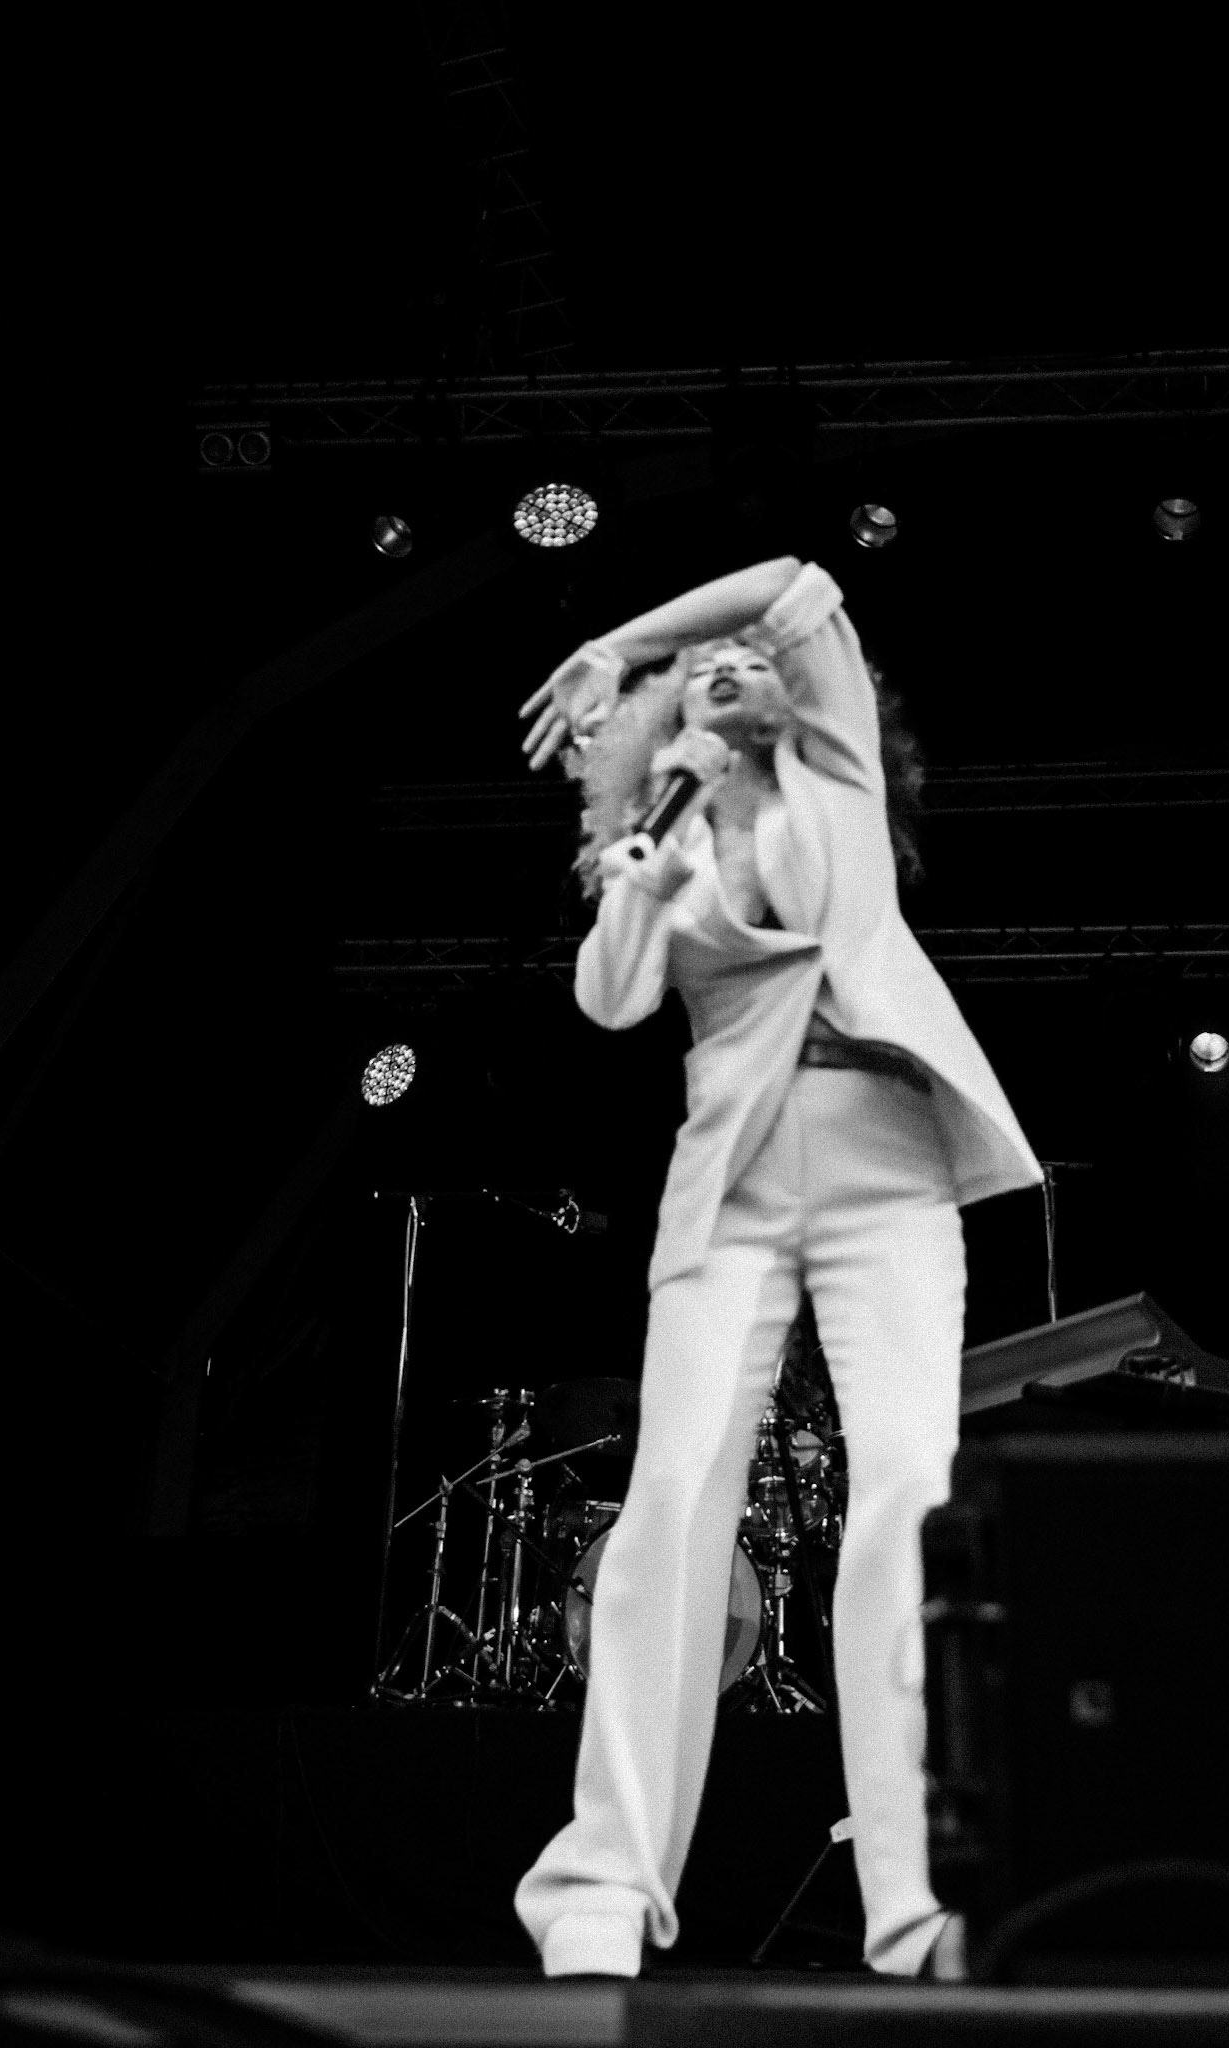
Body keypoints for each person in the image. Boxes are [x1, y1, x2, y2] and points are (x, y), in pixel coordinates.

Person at [512, 556, 1042, 1979]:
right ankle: (601, 1892)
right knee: (670, 1502)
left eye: (745, 665)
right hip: (733, 1173)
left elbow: (801, 584)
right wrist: (647, 859)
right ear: (661, 727)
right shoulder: (661, 846)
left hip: (885, 1155)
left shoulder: (836, 774)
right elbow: (613, 1000)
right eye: (699, 674)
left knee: (904, 1503)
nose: (726, 671)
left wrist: (609, 641)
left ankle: (917, 1897)